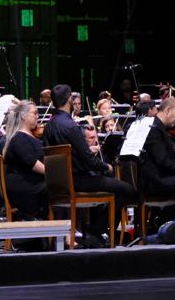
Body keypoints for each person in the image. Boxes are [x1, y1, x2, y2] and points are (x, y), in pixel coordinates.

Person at [42, 84, 137, 241]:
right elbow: (88, 159)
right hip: (78, 181)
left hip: (58, 183)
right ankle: (96, 231)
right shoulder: (70, 126)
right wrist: (106, 166)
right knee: (126, 189)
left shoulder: (49, 126)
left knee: (106, 183)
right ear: (68, 100)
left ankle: (95, 231)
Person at [0, 99, 47, 220]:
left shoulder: (28, 135)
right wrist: (57, 174)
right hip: (26, 187)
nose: (38, 116)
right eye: (34, 113)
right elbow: (32, 163)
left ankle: (64, 231)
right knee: (60, 187)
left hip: (32, 182)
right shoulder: (19, 138)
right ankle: (65, 232)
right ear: (24, 116)